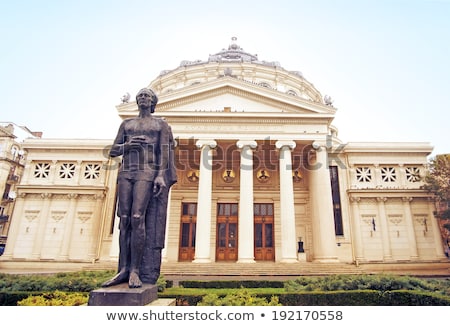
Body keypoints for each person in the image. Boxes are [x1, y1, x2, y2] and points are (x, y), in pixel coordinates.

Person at [102, 88, 177, 288]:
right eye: (141, 96)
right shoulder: (127, 124)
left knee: (137, 217)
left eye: (147, 96)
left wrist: (161, 175)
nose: (143, 98)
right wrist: (128, 145)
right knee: (124, 220)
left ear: (154, 102)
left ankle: (136, 269)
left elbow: (165, 150)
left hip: (147, 171)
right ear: (136, 101)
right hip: (127, 171)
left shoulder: (160, 124)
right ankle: (123, 269)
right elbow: (112, 151)